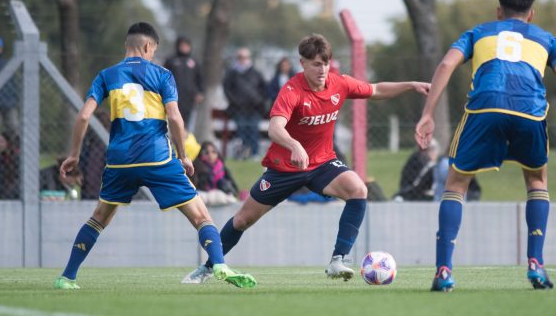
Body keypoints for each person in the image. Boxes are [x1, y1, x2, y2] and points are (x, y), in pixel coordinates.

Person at [181, 33, 429, 284]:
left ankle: (337, 260)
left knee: (358, 189)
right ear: (303, 63)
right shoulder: (292, 90)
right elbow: (275, 127)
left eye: (326, 63)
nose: (322, 70)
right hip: (285, 167)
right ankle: (209, 267)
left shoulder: (339, 83)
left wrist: (410, 84)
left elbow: (375, 89)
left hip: (322, 163)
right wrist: (294, 144)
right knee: (243, 219)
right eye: (316, 64)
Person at [53, 22, 255, 290]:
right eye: (153, 51)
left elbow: (84, 115)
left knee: (99, 218)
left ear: (127, 45)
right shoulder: (162, 75)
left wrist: (74, 155)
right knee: (201, 217)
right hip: (157, 159)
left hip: (119, 160)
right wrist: (183, 156)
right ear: (148, 46)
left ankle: (67, 277)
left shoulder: (106, 75)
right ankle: (218, 264)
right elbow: (174, 117)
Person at [415, 0, 556, 292]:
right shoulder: (548, 40)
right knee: (536, 181)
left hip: (485, 108)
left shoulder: (478, 32)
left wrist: (428, 113)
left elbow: (445, 64)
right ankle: (536, 264)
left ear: (498, 10)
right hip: (530, 113)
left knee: (456, 183)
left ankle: (443, 270)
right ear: (531, 14)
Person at [222, 47, 268, 159]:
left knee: (253, 128)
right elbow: (227, 89)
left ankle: (254, 153)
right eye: (240, 57)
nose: (242, 59)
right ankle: (241, 153)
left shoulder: (256, 73)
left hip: (254, 109)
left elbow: (264, 89)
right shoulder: (231, 74)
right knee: (241, 129)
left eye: (245, 57)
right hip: (238, 109)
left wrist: (259, 100)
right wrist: (235, 101)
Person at [163, 36, 204, 130]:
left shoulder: (194, 61)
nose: (185, 48)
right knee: (173, 121)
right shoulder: (171, 60)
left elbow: (200, 79)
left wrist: (200, 93)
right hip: (173, 98)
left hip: (189, 99)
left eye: (187, 45)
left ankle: (185, 142)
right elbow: (164, 78)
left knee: (187, 125)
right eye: (183, 45)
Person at [190, 141, 240, 206]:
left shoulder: (222, 167)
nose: (210, 155)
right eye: (206, 153)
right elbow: (195, 186)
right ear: (201, 155)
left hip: (220, 195)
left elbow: (234, 188)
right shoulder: (196, 167)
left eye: (213, 152)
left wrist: (224, 185)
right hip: (204, 195)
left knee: (229, 199)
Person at [0, 130, 20, 200]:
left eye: (1, 142)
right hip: (1, 194)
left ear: (9, 142)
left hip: (14, 194)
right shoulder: (2, 157)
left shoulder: (18, 157)